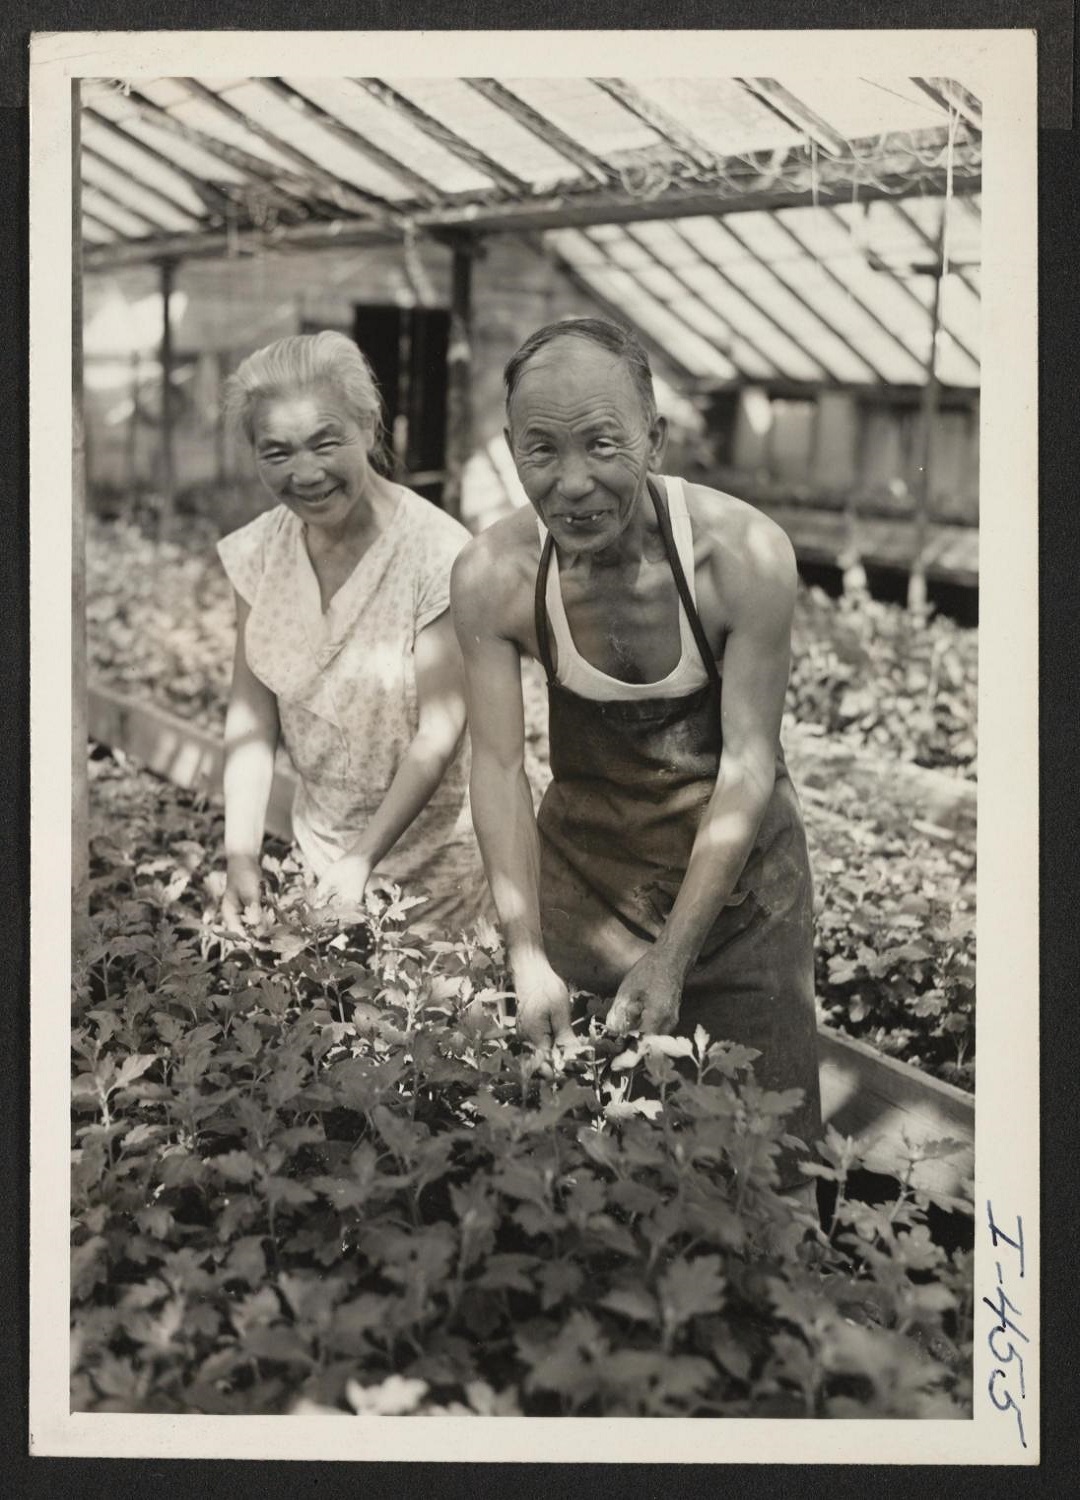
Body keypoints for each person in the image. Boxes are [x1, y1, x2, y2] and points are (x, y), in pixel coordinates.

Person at [451, 318, 821, 1189]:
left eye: (603, 444)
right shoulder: (493, 575)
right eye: (540, 450)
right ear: (510, 451)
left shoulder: (744, 557)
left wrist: (676, 954)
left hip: (739, 903)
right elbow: (499, 769)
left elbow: (746, 766)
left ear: (654, 437)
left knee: (766, 1172)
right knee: (581, 1168)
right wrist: (526, 952)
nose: (572, 482)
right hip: (588, 882)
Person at [216, 330, 487, 932]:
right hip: (317, 860)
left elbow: (440, 731)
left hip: (434, 879)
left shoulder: (437, 553)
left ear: (367, 427)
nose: (305, 473)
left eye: (324, 442)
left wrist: (363, 861)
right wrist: (241, 853)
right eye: (277, 452)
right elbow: (251, 718)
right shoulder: (258, 553)